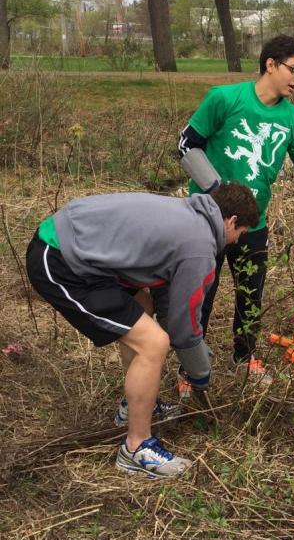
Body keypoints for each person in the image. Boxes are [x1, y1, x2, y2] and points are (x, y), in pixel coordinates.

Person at [25, 182, 259, 479]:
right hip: (60, 257)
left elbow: (164, 295)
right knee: (154, 343)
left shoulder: (189, 213)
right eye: (240, 234)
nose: (237, 241)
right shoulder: (199, 246)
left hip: (78, 245)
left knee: (142, 306)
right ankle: (136, 448)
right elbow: (181, 324)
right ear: (232, 220)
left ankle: (131, 406)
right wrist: (200, 374)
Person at [177, 34, 294, 384]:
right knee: (199, 294)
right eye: (293, 70)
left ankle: (244, 357)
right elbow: (187, 144)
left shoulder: (293, 119)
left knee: (250, 295)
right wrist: (218, 193)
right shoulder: (225, 98)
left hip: (253, 224)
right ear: (270, 64)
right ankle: (190, 369)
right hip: (205, 220)